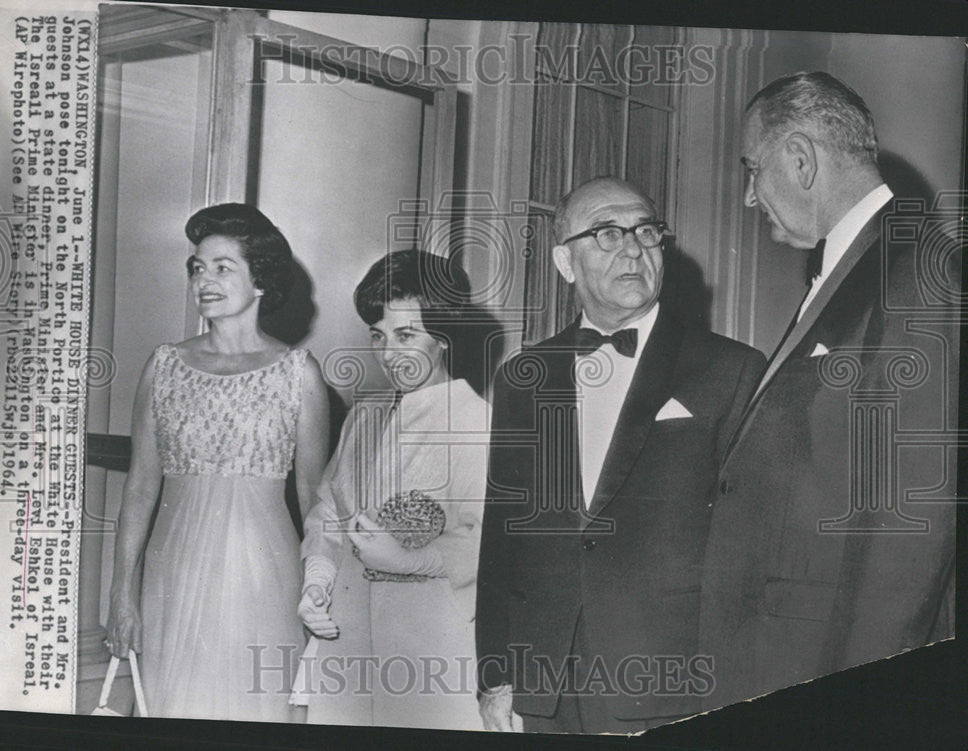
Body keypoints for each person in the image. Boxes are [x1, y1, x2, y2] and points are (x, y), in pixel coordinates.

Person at [699, 72, 960, 709]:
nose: (749, 198)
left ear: (800, 158)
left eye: (752, 170)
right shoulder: (855, 267)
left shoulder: (915, 274)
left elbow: (910, 528)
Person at [475, 177, 766, 734]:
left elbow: (748, 544)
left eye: (646, 232)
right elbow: (502, 538)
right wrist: (496, 674)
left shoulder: (731, 370)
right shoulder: (522, 377)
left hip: (671, 679)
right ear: (565, 262)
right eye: (607, 234)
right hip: (544, 682)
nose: (633, 249)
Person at [105, 203, 330, 721]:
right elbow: (139, 488)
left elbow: (316, 503)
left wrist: (319, 598)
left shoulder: (299, 374)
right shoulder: (164, 366)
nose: (204, 279)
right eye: (197, 267)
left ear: (261, 281)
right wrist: (122, 590)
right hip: (172, 570)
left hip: (264, 575)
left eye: (223, 267)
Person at [294, 249, 489, 730]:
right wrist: (316, 582)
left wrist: (410, 561)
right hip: (349, 634)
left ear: (443, 338)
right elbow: (328, 513)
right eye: (378, 336)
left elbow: (487, 543)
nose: (389, 354)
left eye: (406, 335)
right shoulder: (364, 415)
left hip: (431, 645)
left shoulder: (477, 422)